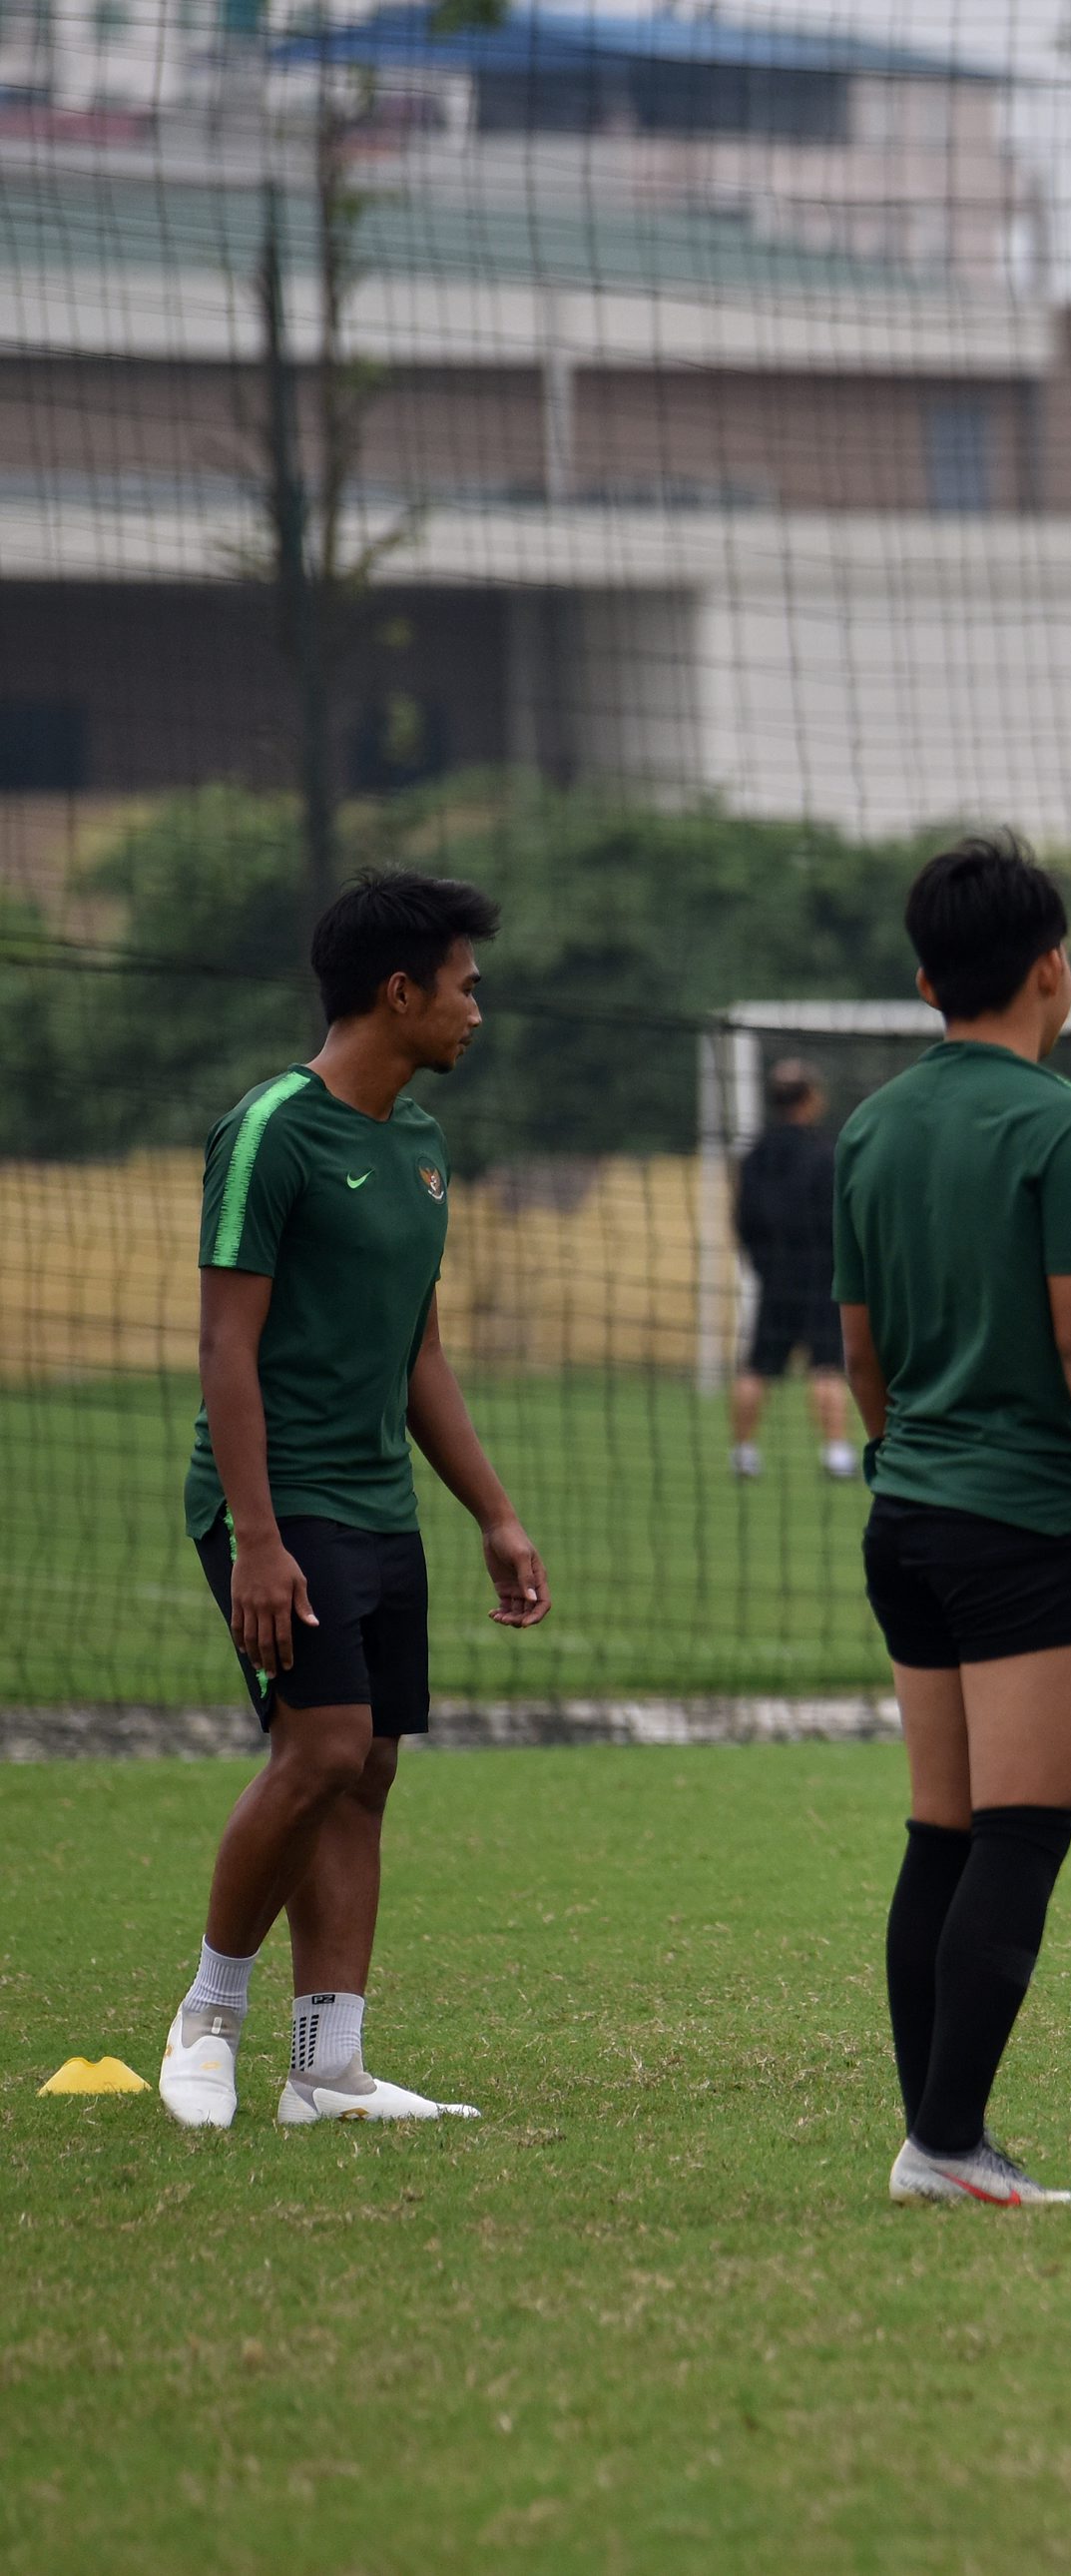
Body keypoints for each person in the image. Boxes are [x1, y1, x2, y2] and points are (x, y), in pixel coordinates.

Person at [158, 869, 549, 2133]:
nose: (475, 1011)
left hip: (379, 1501)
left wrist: (492, 1512)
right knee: (318, 1747)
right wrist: (257, 1541)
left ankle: (327, 2067)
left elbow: (418, 1352)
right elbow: (227, 1350)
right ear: (400, 992)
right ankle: (208, 2018)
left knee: (369, 1766)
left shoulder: (422, 1147)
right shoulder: (272, 1128)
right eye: (464, 987)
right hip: (277, 1500)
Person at [838, 835, 1071, 2210]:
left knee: (945, 1831)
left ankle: (934, 2135)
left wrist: (908, 1454)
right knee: (1020, 1832)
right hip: (1022, 1520)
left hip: (905, 1516)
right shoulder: (1061, 1122)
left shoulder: (869, 1125)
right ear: (1053, 968)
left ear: (927, 979)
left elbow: (859, 1349)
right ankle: (950, 2144)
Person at [732, 1058, 858, 1483]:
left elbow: (743, 1220)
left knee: (756, 1367)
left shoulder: (754, 1157)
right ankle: (837, 1453)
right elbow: (841, 1219)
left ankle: (744, 1455)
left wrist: (763, 1263)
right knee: (826, 1366)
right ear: (810, 1098)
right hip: (820, 1276)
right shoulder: (827, 1154)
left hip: (774, 1278)